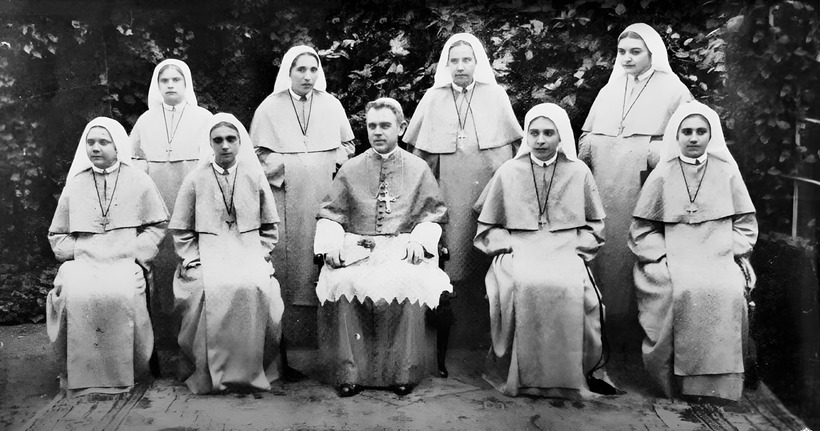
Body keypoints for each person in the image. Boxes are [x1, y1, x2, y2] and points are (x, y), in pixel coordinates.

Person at [474, 103, 614, 398]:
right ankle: (524, 376)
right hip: (520, 250)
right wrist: (509, 246)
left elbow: (595, 226)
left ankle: (574, 374)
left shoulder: (579, 172)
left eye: (548, 133)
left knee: (576, 289)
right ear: (526, 136)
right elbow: (488, 229)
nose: (540, 140)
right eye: (534, 133)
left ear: (561, 136)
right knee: (520, 284)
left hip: (565, 250)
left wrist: (576, 249)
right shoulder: (509, 171)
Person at [314, 98, 450, 397]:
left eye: (385, 125)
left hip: (403, 245)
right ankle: (349, 372)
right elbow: (330, 213)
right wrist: (332, 244)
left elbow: (433, 214)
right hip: (359, 245)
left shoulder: (418, 168)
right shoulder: (350, 169)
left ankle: (404, 371)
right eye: (372, 125)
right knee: (343, 280)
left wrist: (419, 240)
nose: (377, 132)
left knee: (408, 279)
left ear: (401, 128)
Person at [404, 33, 522, 375]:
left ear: (477, 63)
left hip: (488, 196)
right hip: (448, 198)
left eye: (466, 60)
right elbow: (421, 161)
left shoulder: (496, 96)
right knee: (451, 266)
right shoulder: (433, 97)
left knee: (489, 263)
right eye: (453, 60)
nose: (459, 66)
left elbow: (510, 156)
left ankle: (489, 341)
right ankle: (450, 346)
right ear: (446, 65)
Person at [628, 101, 757, 401]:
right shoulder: (662, 175)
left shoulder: (726, 172)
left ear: (712, 136)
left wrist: (726, 250)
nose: (694, 138)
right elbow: (642, 231)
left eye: (701, 131)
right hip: (673, 259)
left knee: (728, 290)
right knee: (675, 290)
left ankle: (721, 387)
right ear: (677, 135)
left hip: (718, 257)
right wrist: (662, 257)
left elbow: (746, 225)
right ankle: (679, 385)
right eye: (687, 131)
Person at [578, 23, 693, 344]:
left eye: (635, 52)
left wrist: (645, 150)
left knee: (636, 251)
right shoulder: (611, 89)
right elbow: (586, 139)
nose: (626, 59)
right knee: (604, 252)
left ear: (652, 54)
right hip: (604, 187)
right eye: (622, 52)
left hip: (642, 190)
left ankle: (636, 329)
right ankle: (604, 324)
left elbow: (685, 141)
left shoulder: (674, 90)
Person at [47, 117, 168, 396]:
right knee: (74, 293)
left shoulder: (138, 180)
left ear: (118, 146)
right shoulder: (75, 184)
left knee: (121, 292)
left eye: (103, 142)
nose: (96, 148)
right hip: (84, 261)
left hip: (124, 260)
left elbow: (157, 224)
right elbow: (57, 234)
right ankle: (80, 373)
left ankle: (130, 370)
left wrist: (138, 254)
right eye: (91, 142)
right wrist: (76, 251)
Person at [170, 113, 284, 394]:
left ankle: (253, 369)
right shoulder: (195, 180)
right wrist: (192, 259)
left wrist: (261, 252)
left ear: (240, 142)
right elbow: (182, 231)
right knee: (204, 289)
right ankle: (208, 372)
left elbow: (269, 226)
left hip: (247, 253)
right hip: (207, 256)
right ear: (209, 144)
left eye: (231, 139)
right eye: (218, 140)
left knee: (259, 286)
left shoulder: (254, 176)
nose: (225, 146)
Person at [250, 45, 355, 309]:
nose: (308, 76)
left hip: (325, 194)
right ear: (289, 72)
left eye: (313, 69)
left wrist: (325, 163)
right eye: (301, 70)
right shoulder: (269, 107)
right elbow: (258, 153)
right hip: (286, 196)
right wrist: (293, 167)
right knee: (290, 259)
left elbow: (348, 146)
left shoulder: (332, 104)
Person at [130, 59, 213, 357]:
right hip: (156, 197)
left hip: (188, 193)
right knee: (161, 259)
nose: (170, 85)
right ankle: (161, 333)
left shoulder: (203, 118)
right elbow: (132, 159)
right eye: (164, 80)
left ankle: (189, 330)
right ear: (157, 85)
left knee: (188, 256)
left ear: (186, 83)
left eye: (176, 80)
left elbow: (211, 160)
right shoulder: (145, 120)